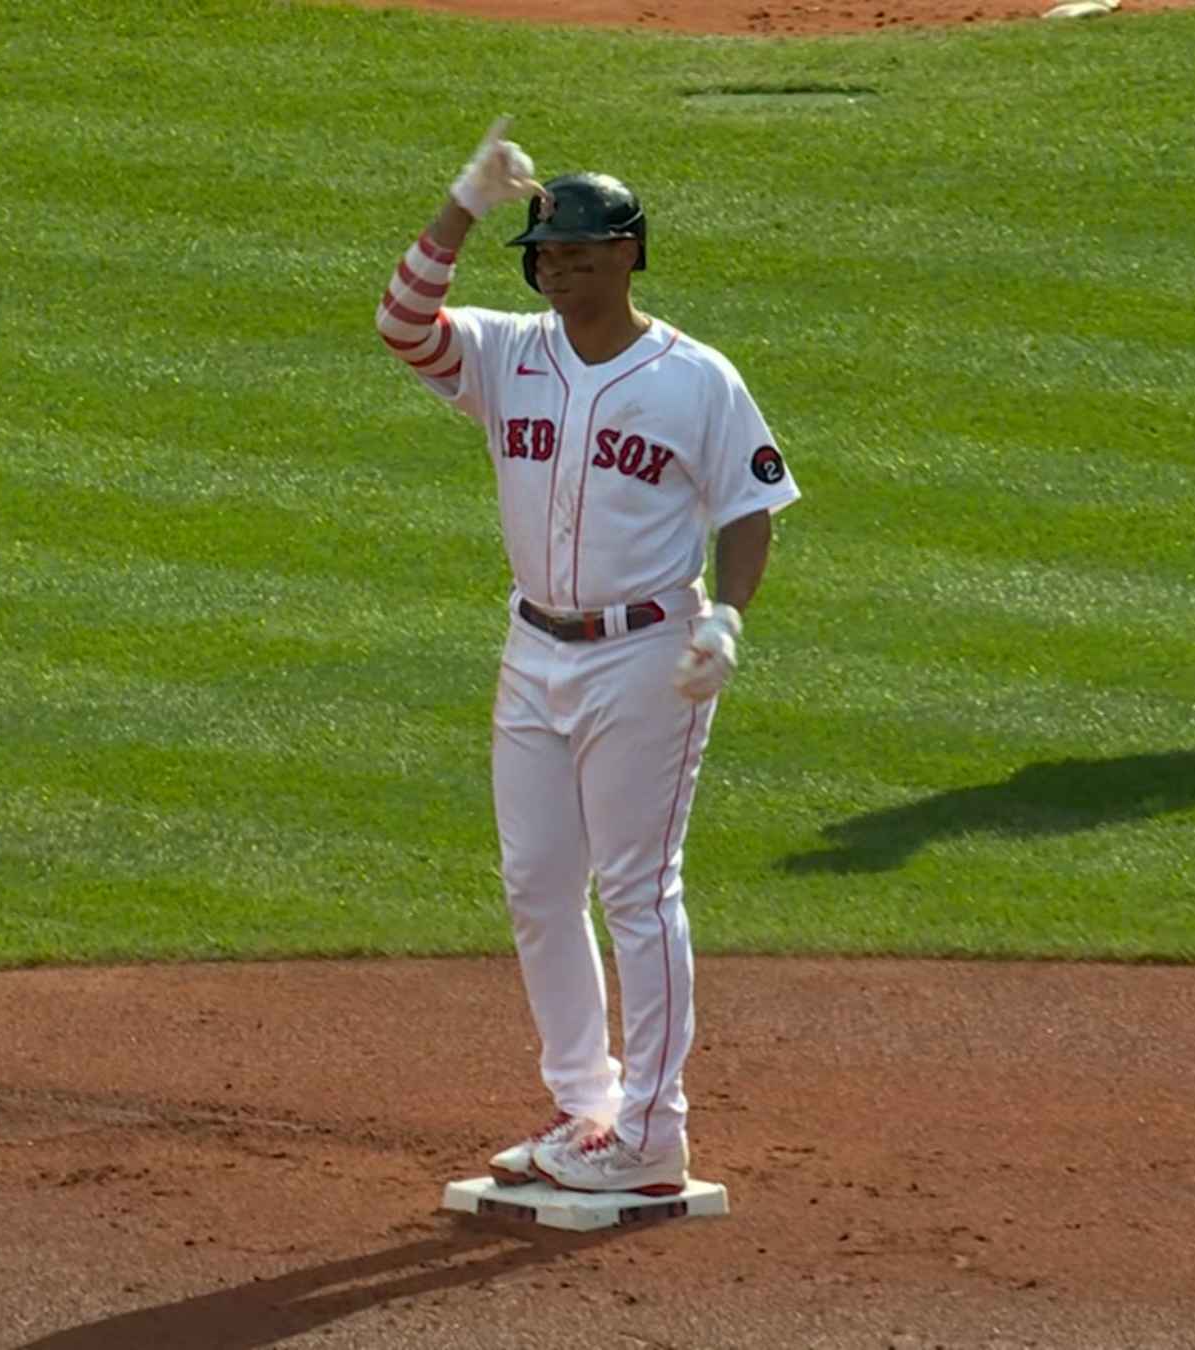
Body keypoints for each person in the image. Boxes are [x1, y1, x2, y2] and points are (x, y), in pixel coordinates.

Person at [374, 120, 800, 1195]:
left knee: (639, 889)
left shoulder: (696, 377)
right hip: (533, 650)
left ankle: (655, 1132)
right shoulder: (508, 352)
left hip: (647, 653)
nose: (556, 268)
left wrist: (729, 621)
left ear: (628, 253)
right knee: (537, 882)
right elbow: (401, 322)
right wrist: (461, 204)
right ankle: (587, 1108)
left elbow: (753, 507)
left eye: (575, 251)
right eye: (543, 253)